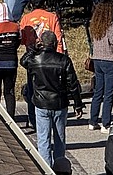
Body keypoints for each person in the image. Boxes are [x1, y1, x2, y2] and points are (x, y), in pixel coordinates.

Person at [21, 29, 83, 171]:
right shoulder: (63, 60)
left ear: (42, 43)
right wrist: (78, 104)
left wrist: (33, 49)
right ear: (55, 44)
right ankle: (60, 168)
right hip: (59, 103)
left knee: (44, 140)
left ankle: (46, 169)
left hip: (41, 103)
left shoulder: (35, 59)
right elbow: (73, 84)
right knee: (60, 138)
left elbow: (23, 61)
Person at [89, 1, 113, 132]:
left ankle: (93, 120)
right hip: (111, 61)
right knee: (109, 93)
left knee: (98, 91)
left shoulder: (95, 25)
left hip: (97, 60)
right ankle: (105, 123)